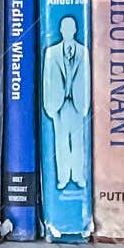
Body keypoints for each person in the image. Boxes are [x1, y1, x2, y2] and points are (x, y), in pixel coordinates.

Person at [42, 14, 90, 188]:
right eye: (65, 29)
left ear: (75, 30)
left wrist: (86, 105)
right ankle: (63, 177)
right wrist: (48, 106)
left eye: (71, 29)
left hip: (77, 104)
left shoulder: (83, 52)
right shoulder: (51, 53)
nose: (68, 32)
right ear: (61, 31)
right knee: (61, 142)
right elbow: (47, 79)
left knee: (78, 142)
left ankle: (78, 176)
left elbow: (87, 79)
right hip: (58, 105)